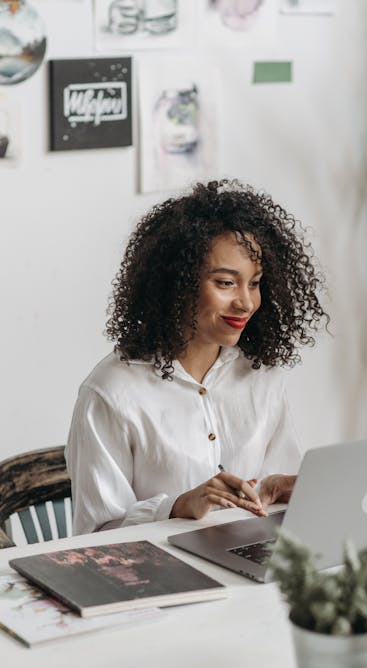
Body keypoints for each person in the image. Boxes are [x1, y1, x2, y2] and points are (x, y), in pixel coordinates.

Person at [65, 179, 329, 534]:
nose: (246, 302)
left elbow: (268, 496)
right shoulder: (110, 394)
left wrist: (274, 488)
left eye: (254, 283)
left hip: (247, 558)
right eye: (225, 283)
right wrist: (178, 506)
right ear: (178, 282)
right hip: (161, 579)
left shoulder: (260, 374)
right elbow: (96, 535)